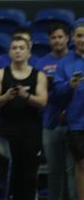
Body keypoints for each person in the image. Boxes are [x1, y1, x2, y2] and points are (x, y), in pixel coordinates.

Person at [0, 34, 48, 200]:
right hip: (8, 132)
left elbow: (43, 102)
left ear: (29, 52)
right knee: (8, 177)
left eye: (21, 48)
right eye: (14, 48)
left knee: (28, 178)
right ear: (9, 52)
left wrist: (25, 95)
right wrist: (6, 97)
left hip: (30, 133)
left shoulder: (39, 76)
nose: (18, 51)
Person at [37, 24, 76, 200]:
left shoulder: (76, 60)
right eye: (53, 37)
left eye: (60, 37)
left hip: (73, 123)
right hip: (50, 123)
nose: (57, 40)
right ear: (49, 40)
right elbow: (40, 94)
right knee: (54, 171)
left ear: (68, 38)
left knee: (73, 170)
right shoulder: (42, 64)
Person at [51, 23, 84, 199]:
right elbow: (56, 92)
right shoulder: (65, 63)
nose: (82, 39)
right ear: (73, 38)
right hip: (77, 123)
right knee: (81, 165)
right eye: (79, 36)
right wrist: (68, 86)